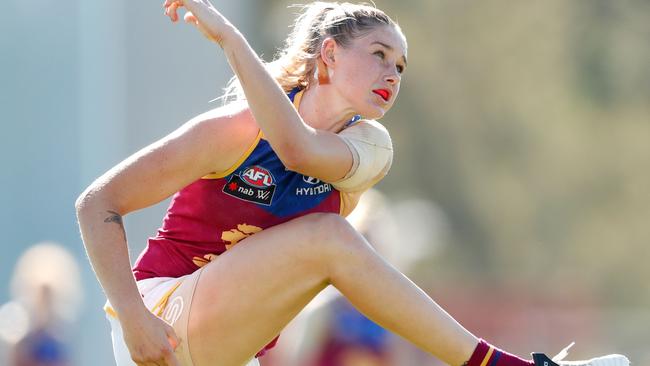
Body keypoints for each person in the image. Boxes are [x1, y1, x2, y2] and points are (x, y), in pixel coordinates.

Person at [75, 1, 630, 366]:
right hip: (160, 322)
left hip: (229, 351)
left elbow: (298, 149)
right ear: (330, 56)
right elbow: (98, 204)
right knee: (328, 237)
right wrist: (130, 315)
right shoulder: (235, 132)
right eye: (380, 55)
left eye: (401, 67)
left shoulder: (370, 147)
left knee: (328, 238)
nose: (393, 74)